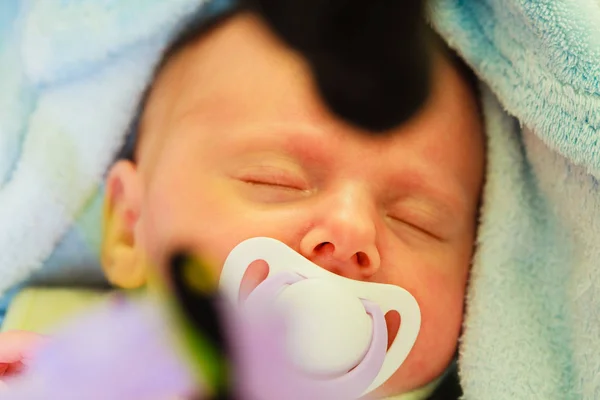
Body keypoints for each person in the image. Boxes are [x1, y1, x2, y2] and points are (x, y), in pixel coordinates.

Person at [1, 9, 484, 399]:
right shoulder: (41, 355)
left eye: (416, 221)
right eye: (276, 180)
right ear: (131, 226)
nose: (350, 229)